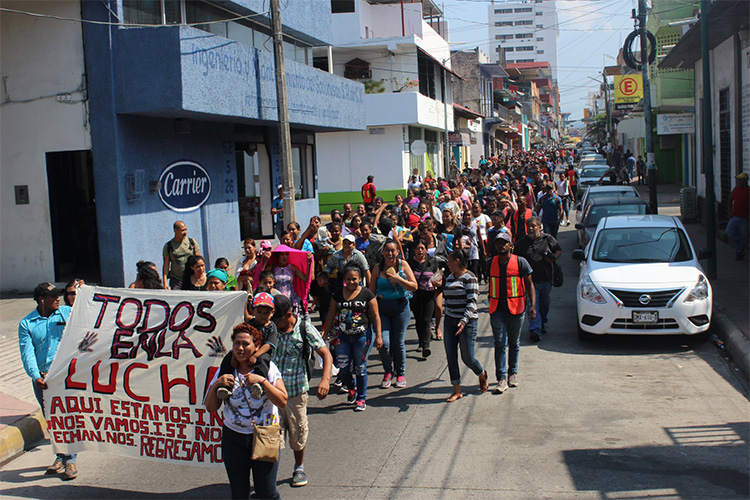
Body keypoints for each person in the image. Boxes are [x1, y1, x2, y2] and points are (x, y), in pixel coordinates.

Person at [205, 323, 288, 500]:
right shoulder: (226, 368)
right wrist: (217, 385)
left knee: (266, 492)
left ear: (257, 346)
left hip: (264, 436)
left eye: (246, 344)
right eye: (237, 343)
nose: (240, 348)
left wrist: (263, 382)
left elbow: (282, 400)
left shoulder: (268, 367)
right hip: (233, 438)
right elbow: (211, 407)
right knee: (239, 493)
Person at [272, 294, 333, 488]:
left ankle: (299, 467)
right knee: (270, 435)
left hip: (296, 392)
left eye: (277, 318)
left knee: (298, 433)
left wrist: (325, 380)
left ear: (288, 315)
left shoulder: (305, 328)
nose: (274, 323)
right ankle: (268, 477)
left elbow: (326, 354)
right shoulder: (270, 330)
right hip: (272, 395)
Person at [19, 282, 77, 479]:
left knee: (66, 418)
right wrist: (35, 376)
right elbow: (28, 354)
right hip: (43, 380)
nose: (58, 299)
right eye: (54, 297)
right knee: (52, 421)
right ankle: (61, 456)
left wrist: (84, 291)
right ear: (42, 300)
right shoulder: (27, 324)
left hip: (65, 376)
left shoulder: (66, 313)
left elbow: (87, 311)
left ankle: (70, 461)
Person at [324, 266, 383, 411]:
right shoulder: (337, 294)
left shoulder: (367, 294)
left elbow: (375, 316)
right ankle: (352, 387)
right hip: (343, 337)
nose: (351, 282)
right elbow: (331, 314)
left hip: (362, 337)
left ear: (360, 279)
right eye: (348, 279)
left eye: (354, 279)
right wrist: (324, 333)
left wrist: (379, 336)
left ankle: (361, 398)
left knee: (360, 367)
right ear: (344, 280)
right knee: (342, 368)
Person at [488, 231, 536, 394]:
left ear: (511, 245)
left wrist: (533, 306)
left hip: (516, 307)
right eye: (498, 243)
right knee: (500, 342)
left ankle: (512, 373)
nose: (501, 245)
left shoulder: (520, 262)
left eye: (504, 243)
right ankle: (501, 377)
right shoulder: (490, 262)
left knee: (514, 343)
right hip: (497, 309)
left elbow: (530, 285)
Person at [369, 240, 417, 389]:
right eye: (387, 251)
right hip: (382, 310)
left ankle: (400, 374)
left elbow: (414, 286)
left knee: (398, 343)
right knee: (384, 343)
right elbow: (371, 292)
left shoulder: (403, 265)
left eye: (393, 251)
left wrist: (399, 279)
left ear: (398, 252)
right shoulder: (377, 268)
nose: (390, 254)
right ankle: (388, 372)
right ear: (383, 252)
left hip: (401, 308)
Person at [442, 250, 488, 402]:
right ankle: (456, 390)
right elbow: (447, 299)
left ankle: (481, 373)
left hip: (467, 322)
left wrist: (463, 321)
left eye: (449, 261)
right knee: (451, 356)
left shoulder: (470, 278)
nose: (447, 264)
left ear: (456, 261)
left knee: (467, 357)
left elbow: (472, 302)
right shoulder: (449, 277)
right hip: (450, 321)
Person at [514, 217, 561, 342]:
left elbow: (558, 250)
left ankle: (542, 322)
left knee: (544, 304)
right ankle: (535, 329)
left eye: (533, 226)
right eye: (529, 226)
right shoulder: (521, 243)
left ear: (539, 227)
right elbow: (514, 256)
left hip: (545, 279)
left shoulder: (547, 239)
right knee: (532, 304)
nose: (531, 229)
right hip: (529, 282)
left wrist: (552, 258)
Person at [407, 239, 442, 358]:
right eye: (418, 248)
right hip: (415, 296)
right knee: (418, 319)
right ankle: (421, 342)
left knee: (426, 320)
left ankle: (426, 346)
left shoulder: (432, 262)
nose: (420, 250)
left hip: (428, 295)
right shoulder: (409, 263)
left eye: (422, 248)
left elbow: (438, 276)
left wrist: (437, 282)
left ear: (426, 250)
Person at [162, 220, 200, 290]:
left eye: (185, 230)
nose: (185, 232)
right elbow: (166, 265)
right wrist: (165, 282)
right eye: (182, 230)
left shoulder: (192, 242)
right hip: (176, 280)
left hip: (191, 279)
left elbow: (198, 261)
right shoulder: (168, 246)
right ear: (175, 231)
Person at [726, 172, 749, 260]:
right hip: (735, 216)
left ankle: (739, 253)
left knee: (744, 236)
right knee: (729, 231)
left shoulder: (748, 191)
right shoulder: (736, 189)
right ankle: (741, 244)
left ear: (745, 180)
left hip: (744, 218)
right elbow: (730, 199)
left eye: (740, 180)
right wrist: (730, 211)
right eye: (738, 180)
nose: (739, 181)